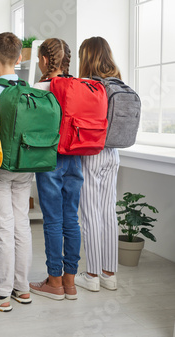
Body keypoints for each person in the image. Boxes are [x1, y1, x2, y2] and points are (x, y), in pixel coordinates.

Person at [29, 38, 83, 301]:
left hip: (50, 157)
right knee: (71, 218)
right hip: (76, 156)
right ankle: (70, 283)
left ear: (43, 60)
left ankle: (54, 281)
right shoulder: (78, 85)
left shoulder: (40, 87)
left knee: (52, 220)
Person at [0, 32, 33, 312]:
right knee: (21, 224)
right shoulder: (31, 89)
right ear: (20, 57)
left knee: (3, 227)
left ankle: (1, 294)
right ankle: (22, 288)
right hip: (26, 164)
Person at [74, 37, 121, 292]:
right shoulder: (118, 83)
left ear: (87, 57)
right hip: (114, 154)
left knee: (90, 215)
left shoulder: (89, 86)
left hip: (92, 153)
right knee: (108, 213)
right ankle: (109, 274)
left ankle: (91, 275)